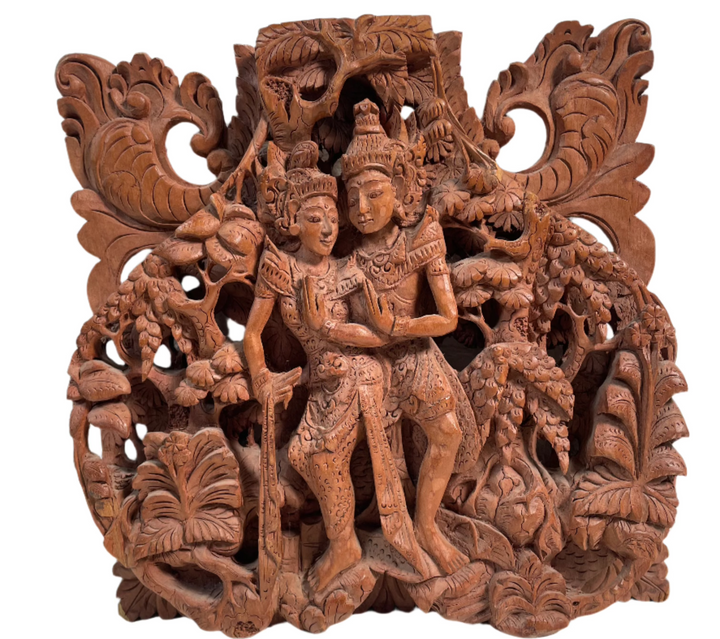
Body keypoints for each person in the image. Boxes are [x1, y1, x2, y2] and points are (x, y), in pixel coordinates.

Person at [244, 141, 428, 594]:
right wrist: (262, 377)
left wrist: (327, 328)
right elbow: (252, 334)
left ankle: (344, 546)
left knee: (318, 457)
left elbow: (380, 335)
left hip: (359, 373)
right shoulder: (279, 269)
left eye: (332, 218)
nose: (328, 228)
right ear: (293, 222)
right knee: (304, 457)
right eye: (315, 219)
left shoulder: (350, 272)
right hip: (321, 379)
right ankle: (341, 541)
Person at [339, 99, 478, 575]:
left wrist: (399, 328)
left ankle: (428, 525)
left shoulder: (421, 240)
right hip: (366, 364)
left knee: (448, 434)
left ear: (398, 191)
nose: (362, 208)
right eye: (353, 198)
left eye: (374, 194)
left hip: (415, 353)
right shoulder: (348, 262)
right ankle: (359, 531)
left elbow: (448, 317)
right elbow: (341, 325)